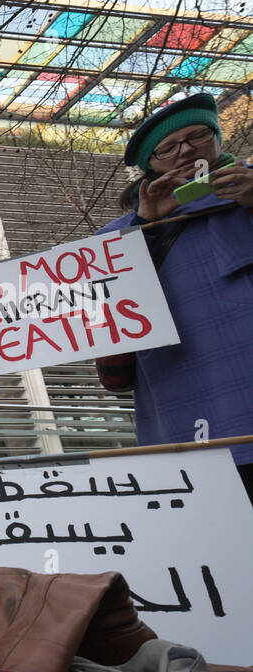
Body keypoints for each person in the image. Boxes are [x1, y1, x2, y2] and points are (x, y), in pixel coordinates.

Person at [96, 93, 253, 506]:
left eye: (197, 135)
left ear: (217, 139)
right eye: (167, 147)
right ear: (151, 164)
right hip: (182, 402)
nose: (185, 149)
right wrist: (145, 226)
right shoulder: (117, 237)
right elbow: (110, 326)